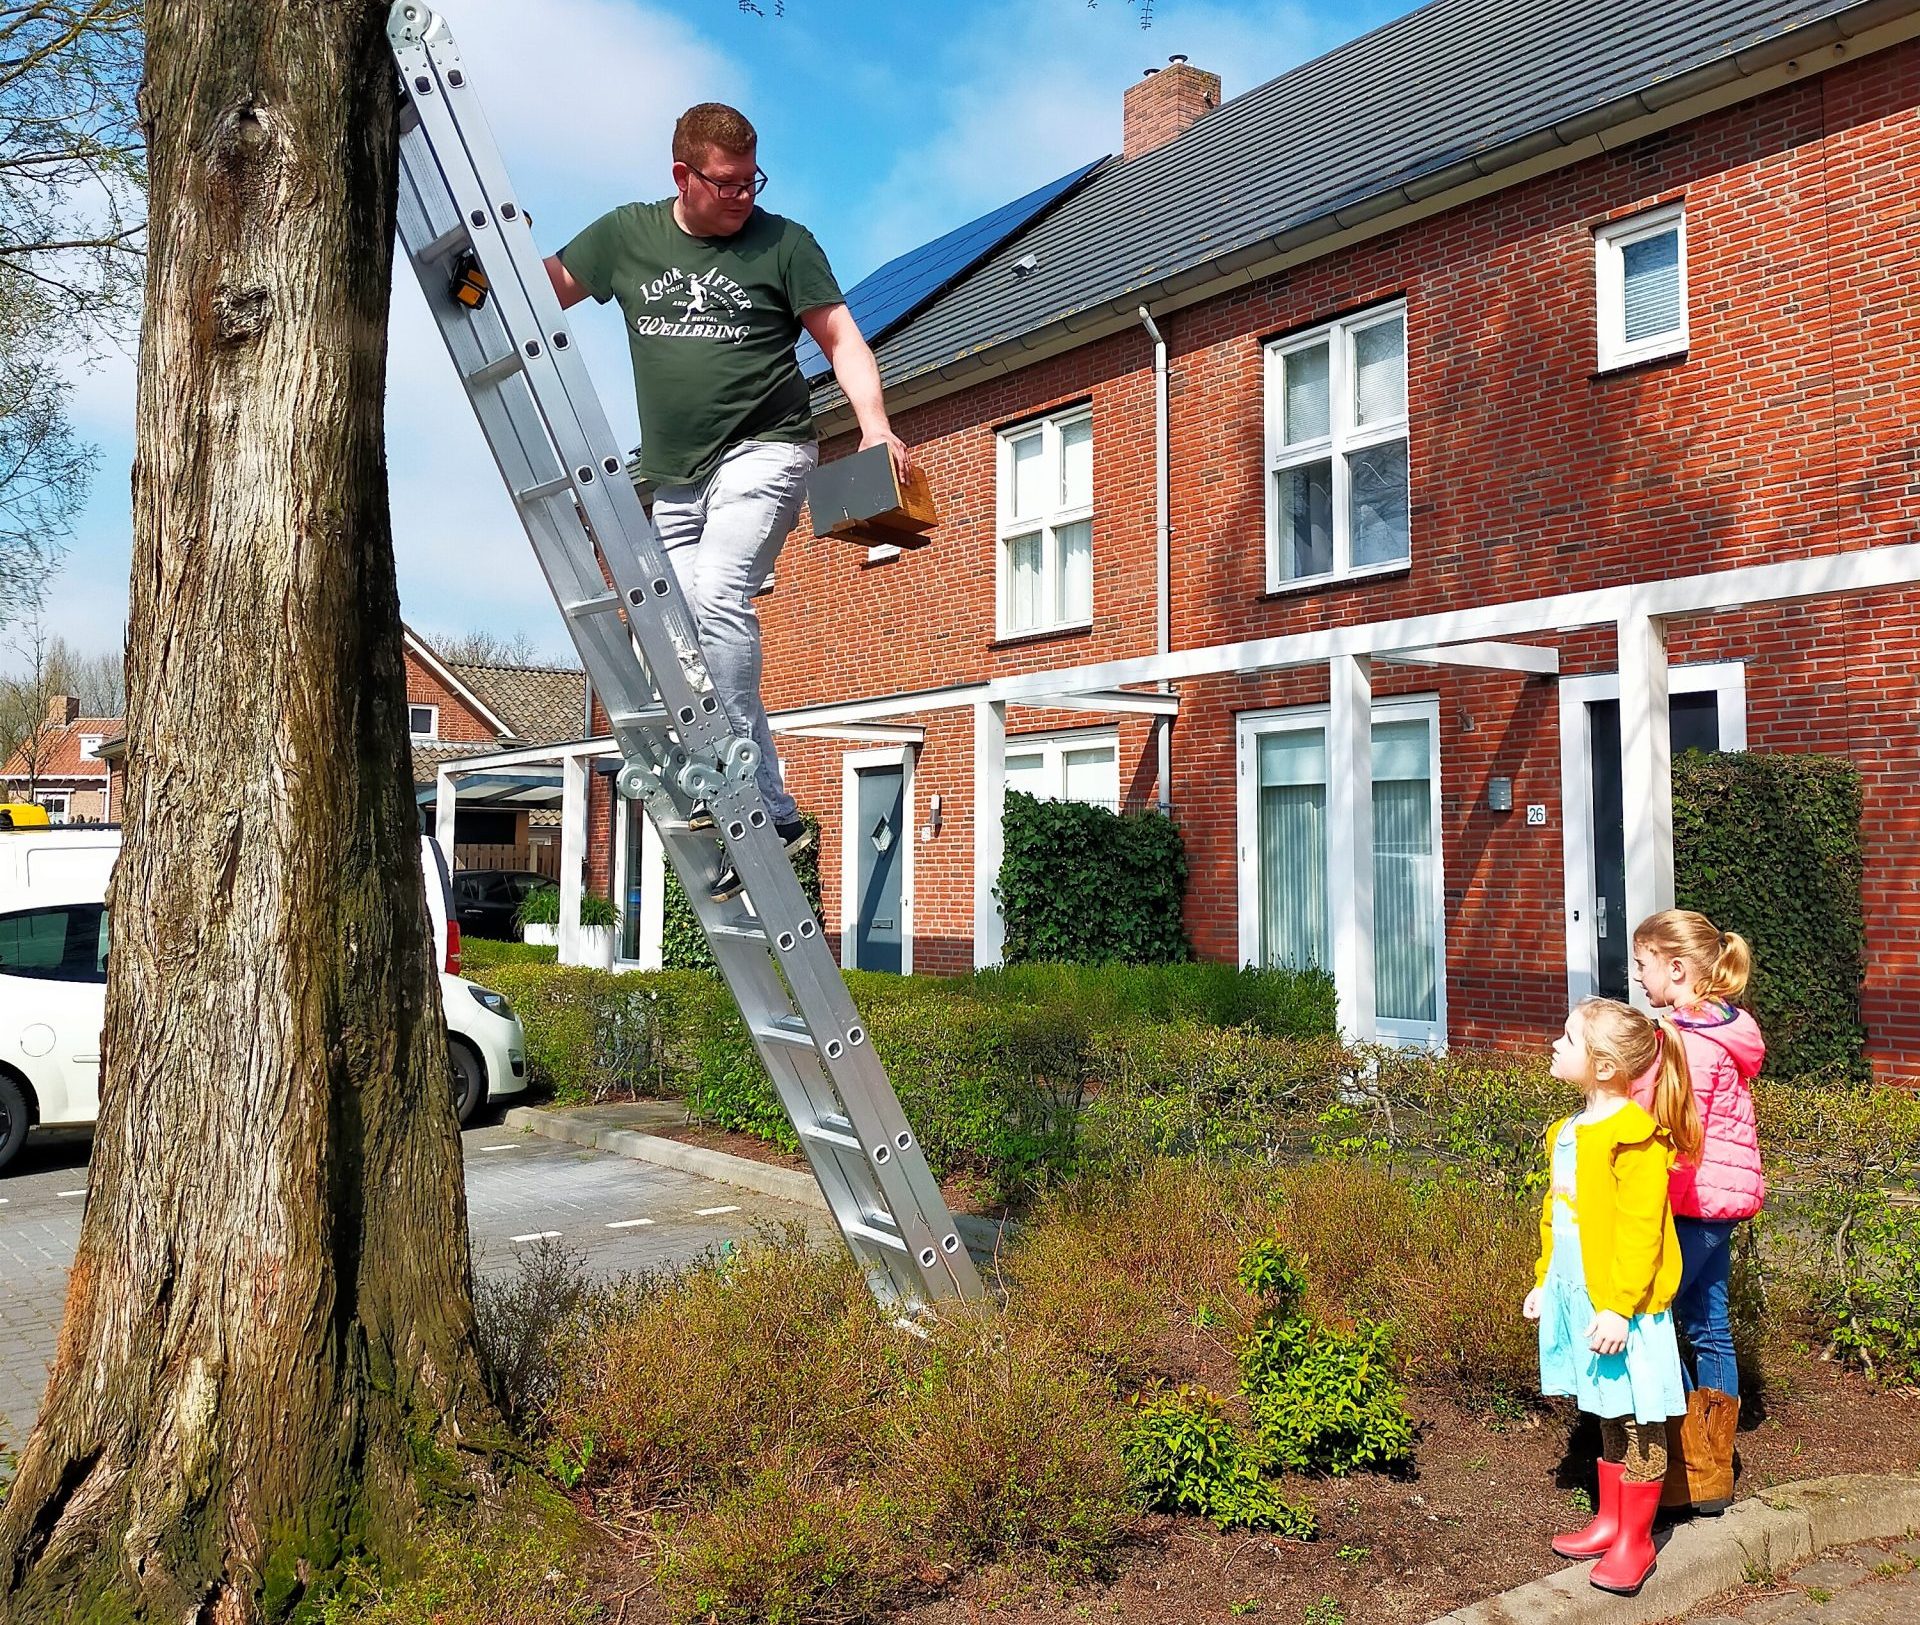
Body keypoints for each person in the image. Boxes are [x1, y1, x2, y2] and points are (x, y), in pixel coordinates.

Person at [543, 103, 912, 902]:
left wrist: (876, 427)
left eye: (753, 180)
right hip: (674, 478)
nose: (745, 196)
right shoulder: (626, 236)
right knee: (672, 639)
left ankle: (735, 784)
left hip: (767, 448)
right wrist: (477, 270)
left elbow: (843, 338)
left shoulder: (785, 244)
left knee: (716, 595)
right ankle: (774, 812)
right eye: (727, 184)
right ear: (683, 176)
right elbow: (545, 290)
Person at [1526, 996, 1700, 1596]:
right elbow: (1557, 1214)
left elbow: (1640, 1229)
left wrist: (1619, 1305)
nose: (1555, 1045)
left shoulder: (1636, 1137)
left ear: (1602, 1066)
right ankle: (1609, 1519)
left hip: (1624, 1308)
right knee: (1604, 1406)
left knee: (1639, 1415)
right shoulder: (1568, 1132)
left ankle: (1636, 1539)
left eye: (1568, 1038)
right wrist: (1547, 1280)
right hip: (1582, 1295)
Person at [1630, 909, 1766, 1515]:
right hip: (1723, 1201)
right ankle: (1713, 1477)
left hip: (1692, 1201)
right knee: (1711, 1324)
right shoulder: (1728, 1028)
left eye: (1643, 965)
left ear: (1677, 967)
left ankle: (1686, 1469)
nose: (1638, 978)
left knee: (1654, 1315)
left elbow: (1662, 1120)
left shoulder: (1685, 1040)